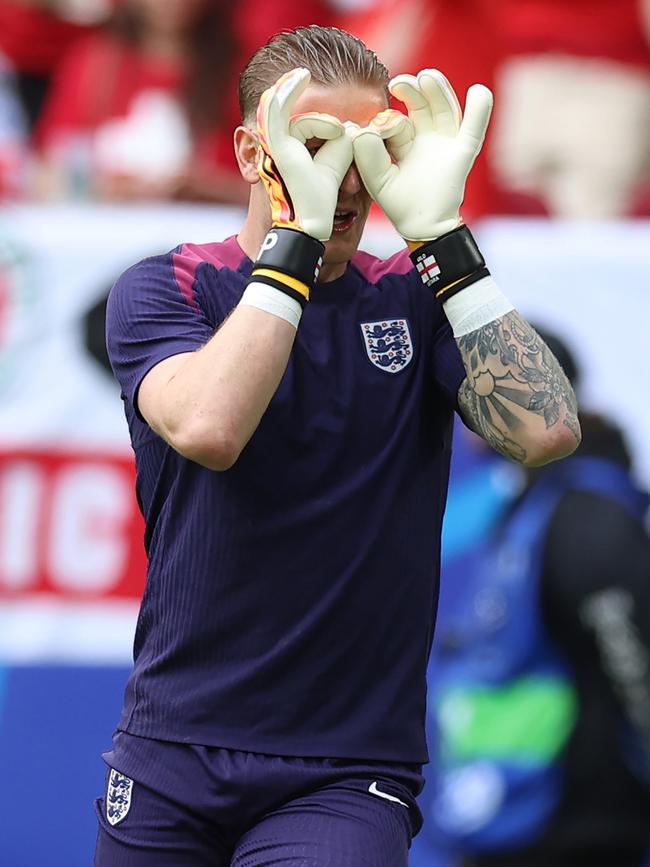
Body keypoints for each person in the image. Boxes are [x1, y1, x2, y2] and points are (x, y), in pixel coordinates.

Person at [96, 24, 580, 866]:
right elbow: (211, 427)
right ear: (254, 151)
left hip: (343, 769)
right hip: (170, 750)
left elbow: (545, 432)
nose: (347, 180)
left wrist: (445, 240)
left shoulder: (409, 296)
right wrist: (296, 241)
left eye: (369, 150)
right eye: (315, 147)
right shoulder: (164, 286)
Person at [424, 330, 650, 867]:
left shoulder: (587, 516)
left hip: (581, 827)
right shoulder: (525, 506)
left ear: (548, 393)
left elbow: (635, 671)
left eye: (492, 387)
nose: (471, 409)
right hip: (512, 819)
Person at [34, 0, 334, 202]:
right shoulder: (93, 66)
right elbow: (45, 173)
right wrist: (107, 189)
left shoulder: (247, 69)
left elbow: (291, 189)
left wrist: (211, 189)